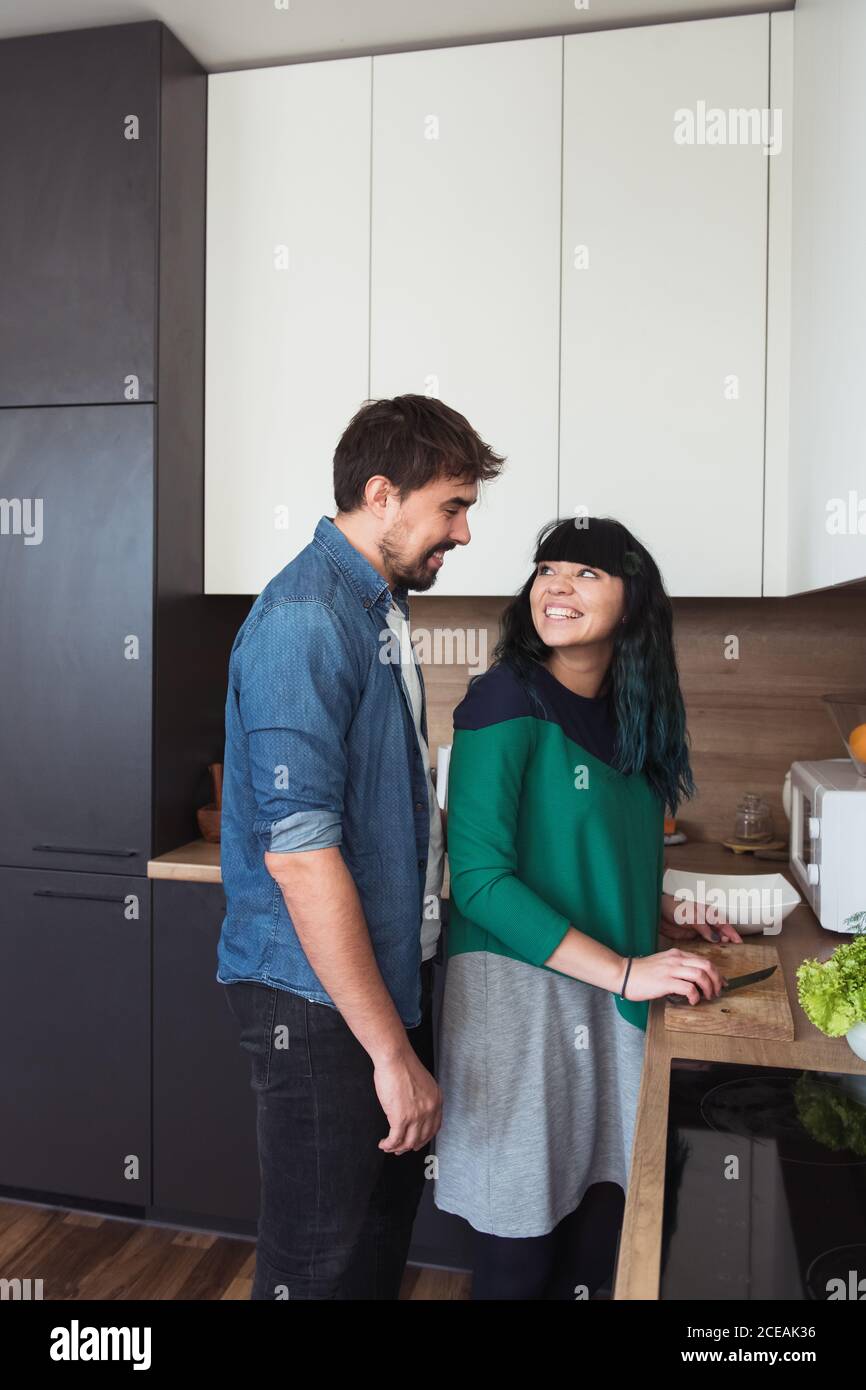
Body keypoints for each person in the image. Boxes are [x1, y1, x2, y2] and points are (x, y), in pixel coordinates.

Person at [217, 394, 505, 1299]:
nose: (462, 534)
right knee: (318, 1263)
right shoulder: (306, 619)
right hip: (315, 1007)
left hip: (375, 987)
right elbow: (301, 857)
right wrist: (389, 1053)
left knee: (374, 1248)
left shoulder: (376, 607)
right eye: (452, 507)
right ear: (382, 494)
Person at [432, 515, 742, 1300]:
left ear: (633, 603)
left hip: (610, 996)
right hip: (519, 1008)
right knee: (521, 1251)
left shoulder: (634, 714)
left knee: (603, 1236)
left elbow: (588, 859)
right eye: (546, 570)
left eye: (585, 573)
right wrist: (630, 967)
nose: (556, 587)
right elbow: (480, 882)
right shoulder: (502, 700)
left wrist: (658, 915)